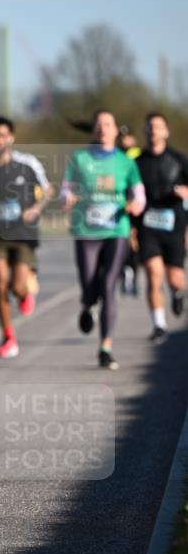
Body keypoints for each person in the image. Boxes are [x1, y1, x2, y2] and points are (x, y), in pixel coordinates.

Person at [61, 110, 146, 369]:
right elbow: (67, 186)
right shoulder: (80, 158)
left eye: (107, 124)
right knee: (89, 284)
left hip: (116, 230)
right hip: (87, 231)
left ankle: (105, 347)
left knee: (109, 284)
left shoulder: (125, 161)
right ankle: (88, 305)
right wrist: (67, 197)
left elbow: (139, 193)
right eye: (98, 124)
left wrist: (136, 205)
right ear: (94, 130)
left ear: (114, 129)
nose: (103, 128)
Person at [0, 116, 51, 358]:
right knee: (0, 284)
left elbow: (48, 191)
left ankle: (27, 288)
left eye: (2, 135)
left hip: (22, 233)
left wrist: (35, 209)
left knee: (16, 287)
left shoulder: (27, 164)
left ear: (11, 137)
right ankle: (8, 337)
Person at [133, 112, 188, 340]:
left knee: (174, 278)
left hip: (174, 224)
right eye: (149, 127)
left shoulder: (179, 159)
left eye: (158, 127)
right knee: (154, 274)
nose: (153, 131)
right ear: (145, 131)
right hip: (148, 226)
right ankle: (159, 325)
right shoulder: (136, 162)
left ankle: (178, 294)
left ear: (166, 131)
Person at [117, 126, 142, 296]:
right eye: (122, 137)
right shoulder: (115, 155)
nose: (125, 140)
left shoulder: (139, 155)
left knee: (134, 243)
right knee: (124, 241)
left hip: (137, 203)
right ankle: (126, 272)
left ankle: (131, 274)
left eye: (128, 137)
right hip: (119, 204)